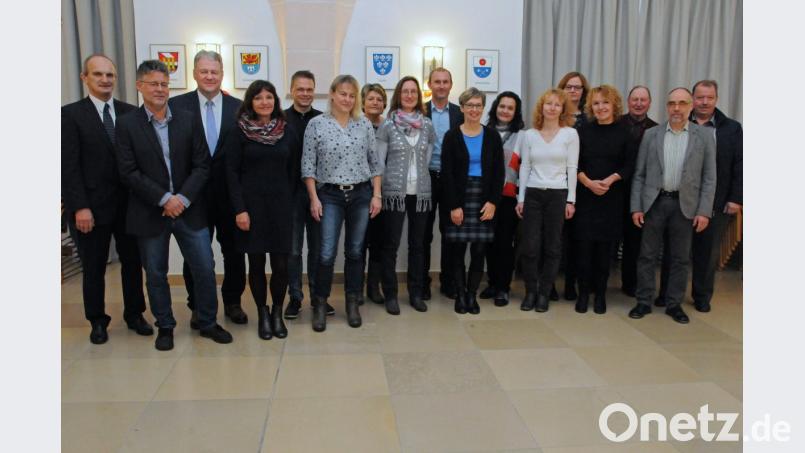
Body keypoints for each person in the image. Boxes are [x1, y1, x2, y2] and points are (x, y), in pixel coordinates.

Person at [116, 60, 233, 350]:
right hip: (149, 211)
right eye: (153, 84)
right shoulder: (127, 124)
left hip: (189, 209)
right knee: (156, 273)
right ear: (139, 86)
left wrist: (182, 198)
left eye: (164, 84)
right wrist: (164, 199)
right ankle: (165, 326)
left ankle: (207, 321)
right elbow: (128, 171)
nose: (160, 89)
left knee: (205, 267)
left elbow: (202, 165)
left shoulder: (186, 117)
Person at [62, 54, 151, 344]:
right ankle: (97, 320)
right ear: (84, 78)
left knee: (132, 262)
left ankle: (135, 314)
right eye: (98, 74)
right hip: (91, 208)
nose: (104, 80)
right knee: (95, 266)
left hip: (130, 206)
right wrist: (80, 207)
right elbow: (68, 166)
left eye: (109, 75)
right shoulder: (70, 114)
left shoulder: (131, 112)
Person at [168, 50, 247, 328]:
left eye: (214, 72)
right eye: (204, 71)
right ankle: (197, 304)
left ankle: (233, 302)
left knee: (235, 252)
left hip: (229, 196)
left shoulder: (239, 107)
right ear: (194, 73)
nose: (210, 76)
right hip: (193, 196)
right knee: (196, 254)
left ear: (222, 74)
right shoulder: (176, 106)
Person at [628, 88, 716, 324]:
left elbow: (710, 177)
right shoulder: (652, 135)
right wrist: (636, 207)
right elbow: (639, 174)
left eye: (682, 103)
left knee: (680, 258)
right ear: (666, 106)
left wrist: (704, 211)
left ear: (690, 106)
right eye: (672, 103)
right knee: (646, 255)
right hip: (654, 203)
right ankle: (643, 301)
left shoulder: (705, 137)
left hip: (685, 206)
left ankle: (673, 304)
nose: (676, 108)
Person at [301, 74, 382, 332]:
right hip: (329, 195)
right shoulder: (316, 124)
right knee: (325, 254)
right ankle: (320, 304)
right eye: (342, 93)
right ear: (332, 94)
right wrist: (314, 198)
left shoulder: (364, 125)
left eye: (351, 95)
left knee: (356, 252)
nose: (347, 99)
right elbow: (308, 165)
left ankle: (352, 302)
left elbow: (374, 163)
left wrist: (377, 194)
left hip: (360, 194)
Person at [656, 80, 743, 313]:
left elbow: (740, 164)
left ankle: (702, 295)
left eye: (710, 97)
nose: (704, 102)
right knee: (674, 250)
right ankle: (666, 293)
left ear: (716, 99)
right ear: (692, 99)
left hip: (716, 200)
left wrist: (736, 198)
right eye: (700, 97)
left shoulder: (732, 128)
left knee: (707, 251)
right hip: (680, 200)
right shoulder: (679, 122)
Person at [225, 80, 298, 340]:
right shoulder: (239, 132)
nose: (264, 102)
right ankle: (263, 313)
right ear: (250, 102)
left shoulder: (286, 131)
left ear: (276, 101)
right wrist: (239, 209)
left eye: (269, 97)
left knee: (281, 265)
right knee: (255, 264)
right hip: (250, 209)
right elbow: (231, 173)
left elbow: (293, 171)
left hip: (280, 208)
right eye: (258, 98)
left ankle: (278, 312)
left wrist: (287, 201)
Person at [375, 76, 437, 314]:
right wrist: (379, 192)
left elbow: (428, 156)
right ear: (398, 95)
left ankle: (416, 293)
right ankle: (390, 294)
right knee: (390, 245)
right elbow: (380, 161)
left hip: (420, 193)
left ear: (419, 96)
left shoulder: (427, 125)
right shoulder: (388, 125)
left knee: (418, 245)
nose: (409, 95)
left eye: (413, 92)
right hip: (394, 193)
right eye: (405, 91)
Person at [441, 87, 505, 315]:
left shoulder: (492, 136)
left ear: (483, 108)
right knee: (457, 250)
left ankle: (471, 294)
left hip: (484, 197)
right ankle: (459, 294)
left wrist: (493, 202)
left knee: (479, 251)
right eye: (470, 105)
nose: (474, 110)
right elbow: (446, 174)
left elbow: (499, 172)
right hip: (460, 196)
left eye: (478, 105)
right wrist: (454, 206)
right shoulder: (451, 136)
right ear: (463, 108)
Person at [574, 85, 637, 314]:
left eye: (605, 103)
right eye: (596, 103)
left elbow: (630, 165)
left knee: (604, 253)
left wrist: (609, 180)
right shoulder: (583, 131)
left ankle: (600, 295)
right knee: (584, 250)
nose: (600, 107)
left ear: (614, 105)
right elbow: (575, 164)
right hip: (586, 197)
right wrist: (589, 183)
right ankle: (583, 295)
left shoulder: (625, 132)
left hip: (611, 199)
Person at [515, 89, 579, 313]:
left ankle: (544, 293)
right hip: (533, 193)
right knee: (530, 247)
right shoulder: (529, 135)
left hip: (558, 194)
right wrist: (520, 198)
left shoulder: (570, 135)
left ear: (563, 110)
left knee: (553, 246)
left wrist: (570, 200)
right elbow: (525, 167)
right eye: (548, 103)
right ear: (541, 107)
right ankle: (530, 291)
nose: (552, 108)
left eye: (557, 104)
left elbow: (572, 167)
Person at [283, 70, 330, 320]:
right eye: (300, 89)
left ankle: (318, 298)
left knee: (318, 249)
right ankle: (295, 297)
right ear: (291, 90)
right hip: (290, 196)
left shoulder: (324, 120)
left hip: (319, 195)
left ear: (315, 90)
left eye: (309, 89)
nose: (305, 93)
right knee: (293, 251)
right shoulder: (280, 119)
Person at [479, 91, 525, 307]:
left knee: (505, 244)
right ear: (495, 108)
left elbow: (526, 168)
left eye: (510, 108)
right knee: (489, 241)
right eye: (502, 106)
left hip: (508, 197)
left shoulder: (522, 136)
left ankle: (503, 288)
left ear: (515, 112)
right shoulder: (484, 132)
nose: (505, 111)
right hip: (486, 196)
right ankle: (492, 282)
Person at [423, 68, 464, 300]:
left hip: (451, 179)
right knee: (423, 234)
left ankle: (449, 282)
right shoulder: (420, 111)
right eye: (436, 82)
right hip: (426, 177)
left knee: (451, 232)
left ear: (451, 85)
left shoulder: (460, 113)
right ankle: (423, 283)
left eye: (445, 81)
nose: (440, 85)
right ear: (429, 85)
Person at [618, 86, 658, 297]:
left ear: (650, 103)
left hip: (642, 195)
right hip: (615, 192)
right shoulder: (616, 124)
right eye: (635, 99)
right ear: (628, 101)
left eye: (643, 99)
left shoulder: (657, 129)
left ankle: (631, 284)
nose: (639, 103)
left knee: (636, 243)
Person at [556, 71, 591, 301]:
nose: (573, 91)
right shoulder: (556, 115)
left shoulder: (590, 118)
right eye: (569, 86)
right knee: (560, 237)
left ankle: (575, 283)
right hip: (558, 181)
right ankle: (558, 283)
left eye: (577, 87)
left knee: (579, 237)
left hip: (585, 183)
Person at [360, 83, 388, 305]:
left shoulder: (390, 126)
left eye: (379, 99)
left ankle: (373, 287)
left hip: (384, 192)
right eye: (371, 98)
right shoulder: (355, 125)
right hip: (360, 191)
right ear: (362, 102)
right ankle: (356, 288)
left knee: (378, 242)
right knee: (358, 241)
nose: (375, 102)